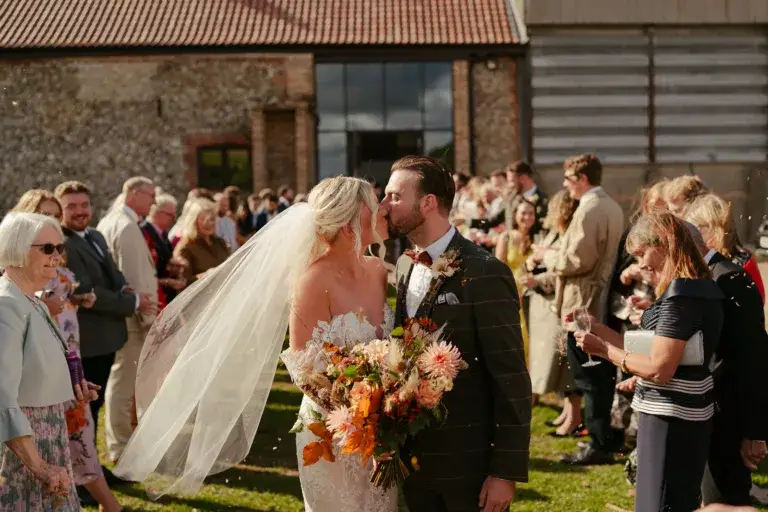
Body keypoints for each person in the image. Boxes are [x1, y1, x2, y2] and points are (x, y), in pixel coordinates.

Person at [114, 177, 396, 511]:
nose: (384, 211)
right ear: (350, 224)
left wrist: (389, 408)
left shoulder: (378, 270)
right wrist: (356, 418)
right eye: (374, 206)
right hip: (332, 427)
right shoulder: (313, 280)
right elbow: (303, 365)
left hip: (384, 424)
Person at [384, 155, 531, 512]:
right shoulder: (405, 264)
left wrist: (504, 472)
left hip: (469, 464)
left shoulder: (485, 272)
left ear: (428, 202)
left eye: (394, 196)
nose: (384, 205)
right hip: (413, 460)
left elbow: (511, 376)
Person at [575, 211, 724, 512]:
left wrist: (604, 349)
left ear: (666, 244)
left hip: (672, 416)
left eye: (642, 253)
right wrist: (598, 331)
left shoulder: (683, 294)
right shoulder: (695, 287)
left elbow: (660, 367)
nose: (640, 264)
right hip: (682, 413)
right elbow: (656, 352)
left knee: (660, 502)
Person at [12, 191, 123, 511]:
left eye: (53, 216)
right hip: (42, 374)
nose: (51, 223)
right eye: (43, 214)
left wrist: (75, 299)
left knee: (77, 431)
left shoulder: (51, 262)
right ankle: (107, 503)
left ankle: (98, 499)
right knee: (75, 433)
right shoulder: (18, 285)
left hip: (68, 357)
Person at [0, 212, 99, 511]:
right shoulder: (7, 304)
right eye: (47, 249)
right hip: (24, 452)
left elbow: (35, 369)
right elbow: (3, 394)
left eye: (60, 248)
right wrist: (39, 466)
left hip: (49, 439)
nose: (57, 256)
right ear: (16, 248)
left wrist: (72, 387)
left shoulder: (32, 300)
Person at [531, 154, 625, 465]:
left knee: (589, 378)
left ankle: (598, 443)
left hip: (583, 303)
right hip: (594, 300)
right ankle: (601, 439)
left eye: (569, 179)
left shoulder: (590, 207)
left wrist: (549, 256)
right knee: (597, 377)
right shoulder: (610, 205)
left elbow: (577, 260)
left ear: (582, 179)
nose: (565, 185)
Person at [97, 177, 159, 464]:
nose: (153, 201)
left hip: (118, 315)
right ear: (133, 194)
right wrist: (149, 318)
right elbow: (136, 277)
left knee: (121, 383)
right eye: (150, 195)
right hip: (132, 319)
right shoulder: (127, 226)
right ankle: (120, 448)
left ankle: (121, 442)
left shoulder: (110, 221)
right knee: (123, 385)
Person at [173, 198, 230, 285]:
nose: (209, 223)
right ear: (193, 221)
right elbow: (182, 283)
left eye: (212, 219)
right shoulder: (186, 247)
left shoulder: (220, 243)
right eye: (203, 219)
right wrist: (205, 276)